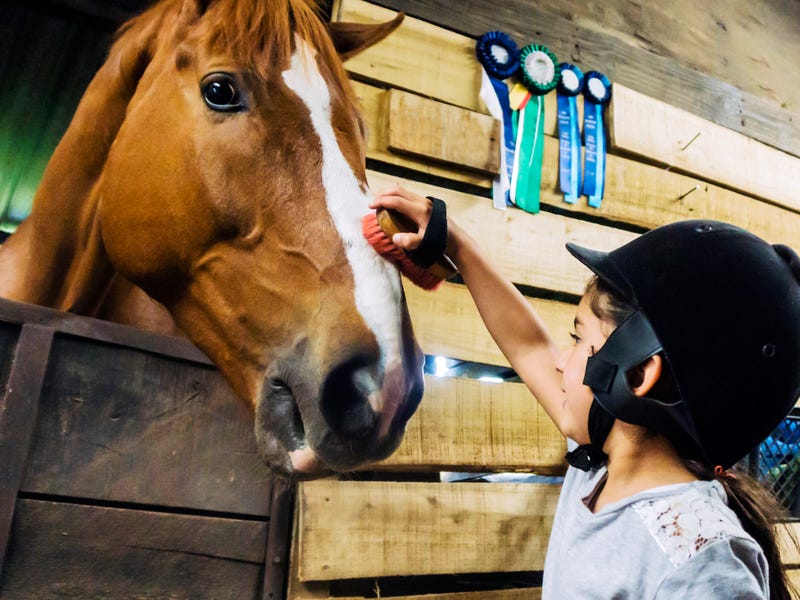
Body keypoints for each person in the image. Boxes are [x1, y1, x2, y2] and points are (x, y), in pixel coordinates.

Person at [370, 185, 800, 599]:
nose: (560, 360)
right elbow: (529, 347)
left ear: (637, 375)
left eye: (578, 340)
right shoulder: (597, 465)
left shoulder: (699, 559)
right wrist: (457, 246)